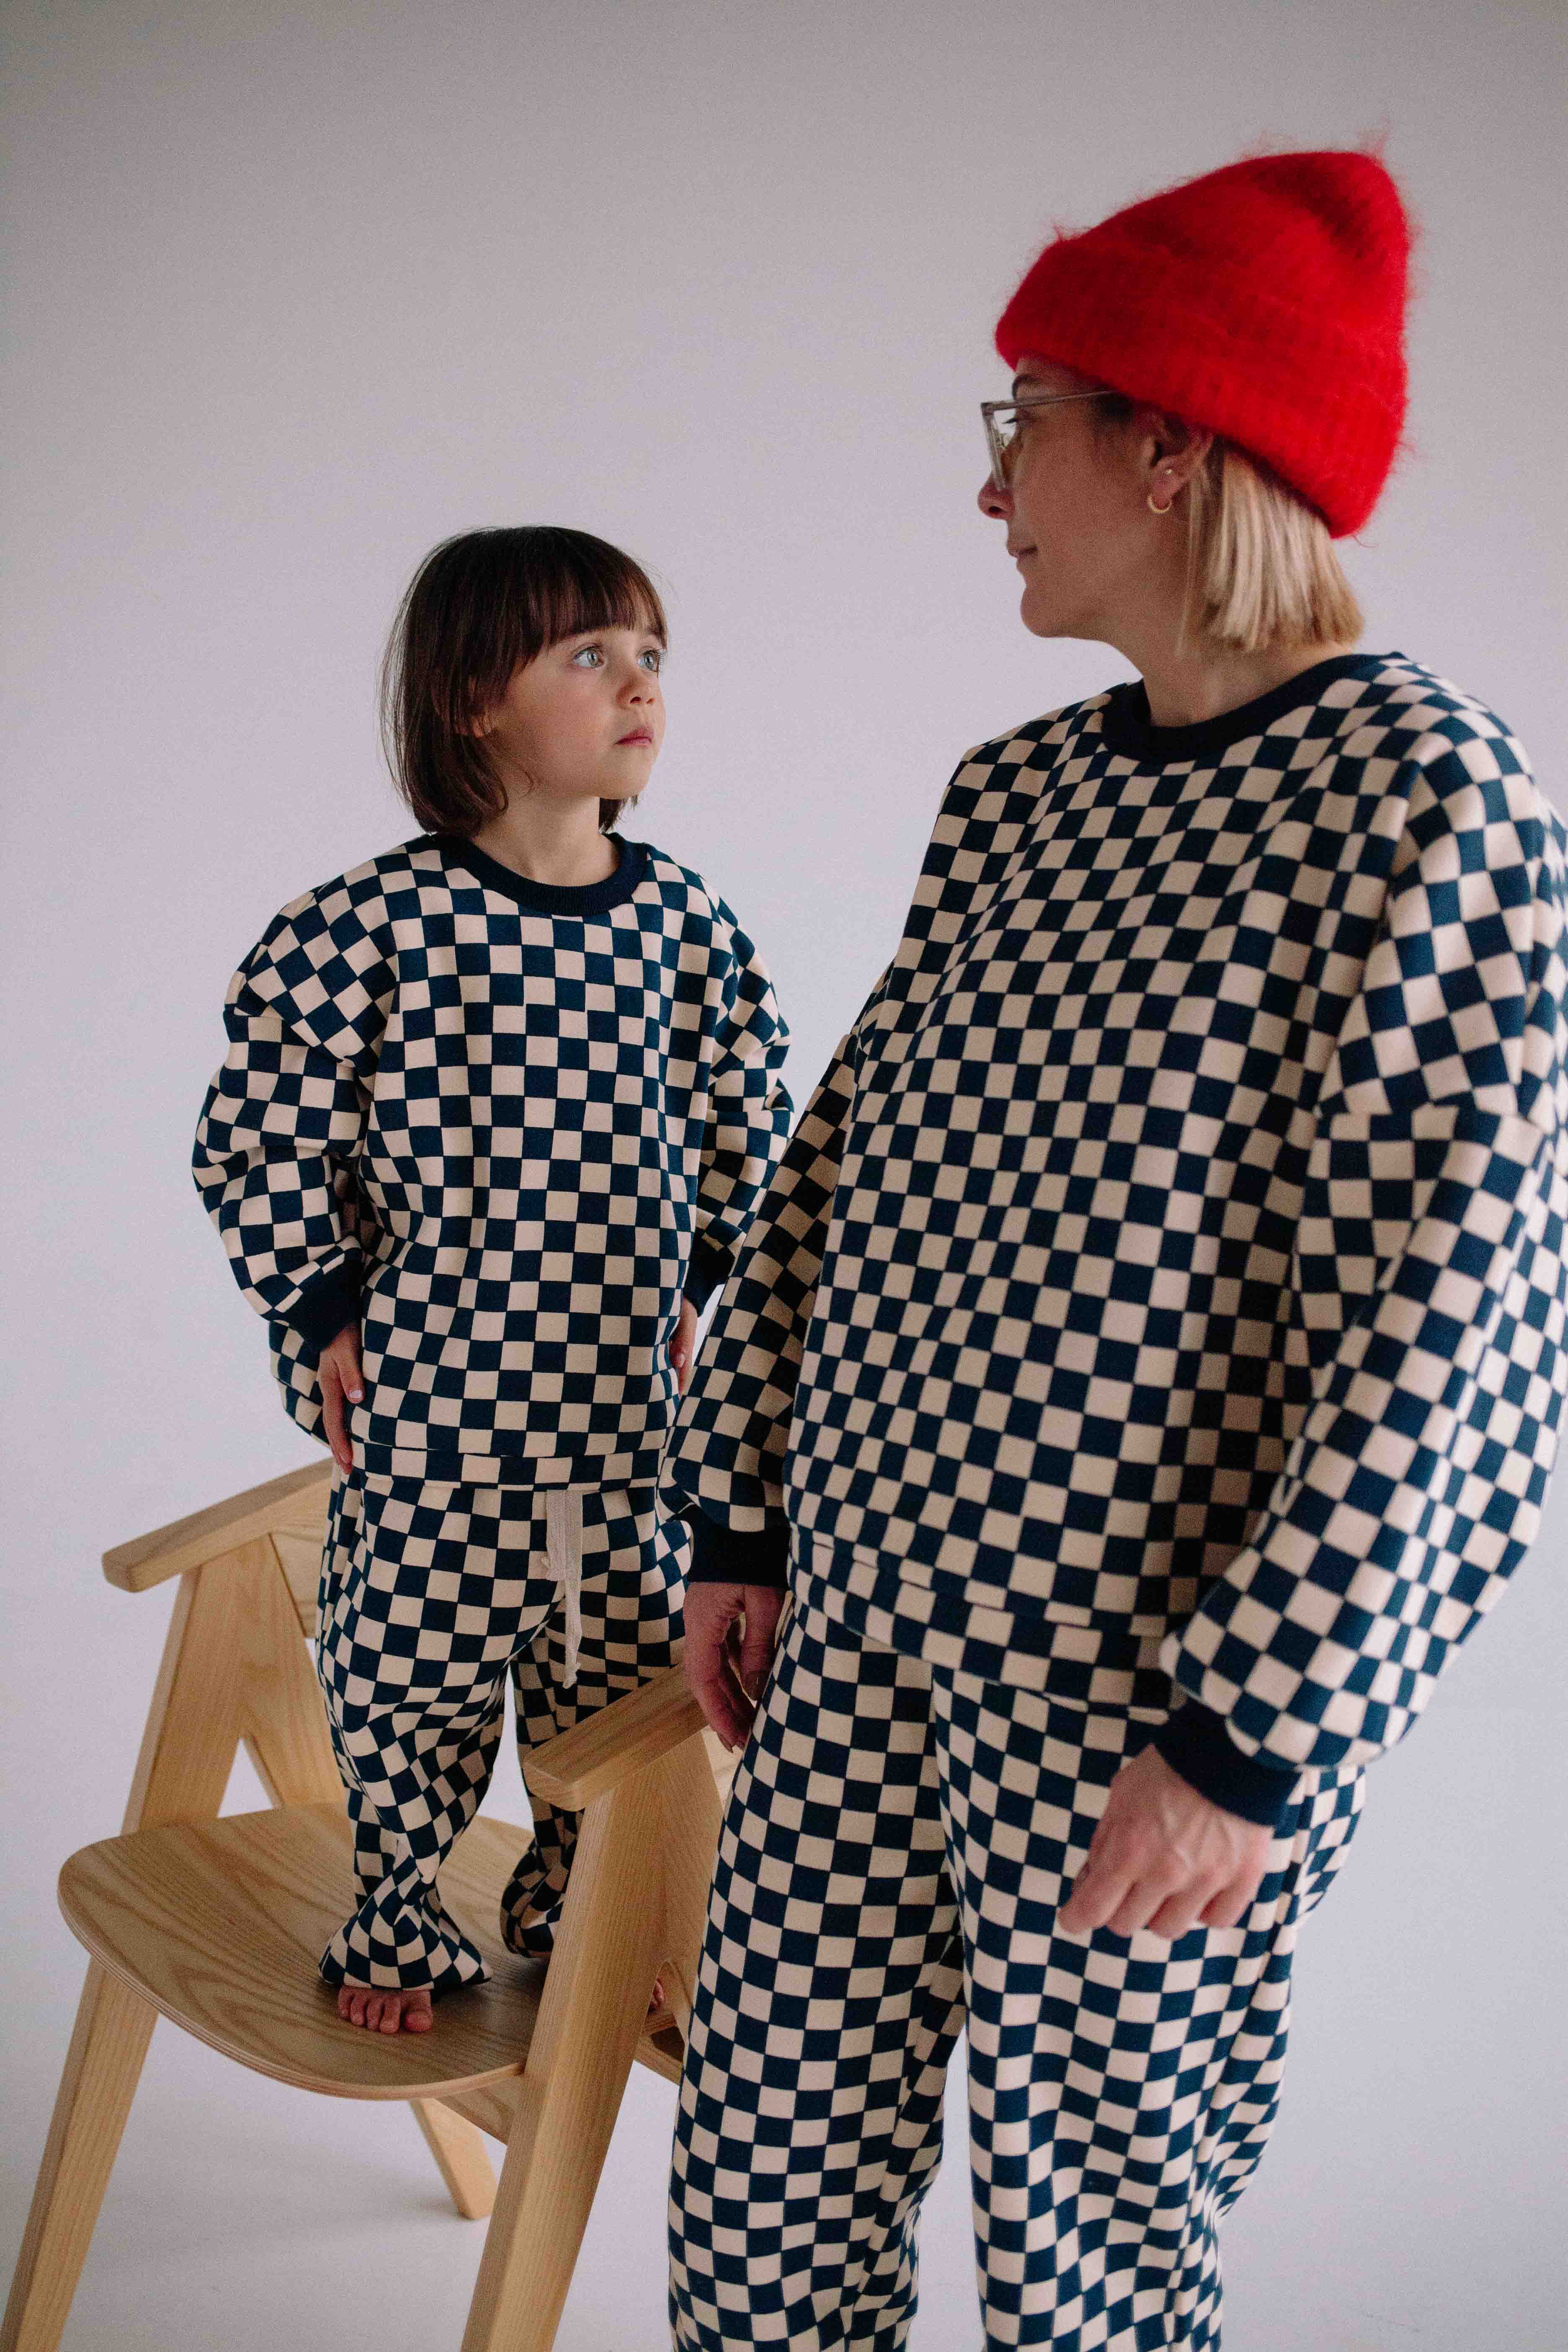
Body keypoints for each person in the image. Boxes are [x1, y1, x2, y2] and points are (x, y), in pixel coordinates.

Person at [663, 151, 1568, 2348]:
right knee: (762, 2196)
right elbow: (839, 1174)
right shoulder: (1018, 798)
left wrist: (1256, 1738)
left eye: (1028, 422)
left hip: (1135, 1704)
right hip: (855, 1629)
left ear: (1170, 444)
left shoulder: (1429, 805)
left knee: (1089, 2272)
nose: (992, 488)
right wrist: (743, 1516)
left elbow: (1452, 1338)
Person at [193, 526, 791, 2034]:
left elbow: (751, 1118)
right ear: (473, 699)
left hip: (626, 1425)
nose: (639, 685)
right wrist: (319, 1305)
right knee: (409, 1682)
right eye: (589, 655)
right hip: (438, 1421)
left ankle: (590, 1911)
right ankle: (400, 1910)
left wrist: (702, 1274)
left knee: (623, 1690)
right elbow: (261, 1135)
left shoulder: (685, 926)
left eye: (651, 655)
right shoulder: (367, 928)